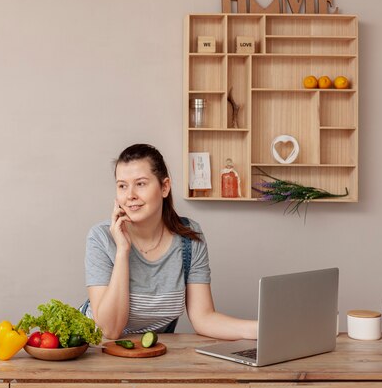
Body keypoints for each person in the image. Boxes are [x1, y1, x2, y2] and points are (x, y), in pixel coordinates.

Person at [83, 144, 257, 340]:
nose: (130, 195)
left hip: (152, 353)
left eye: (140, 184)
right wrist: (122, 251)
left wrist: (263, 329)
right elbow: (110, 330)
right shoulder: (101, 237)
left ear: (164, 187)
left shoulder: (189, 239)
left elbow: (204, 318)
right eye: (122, 185)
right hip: (97, 351)